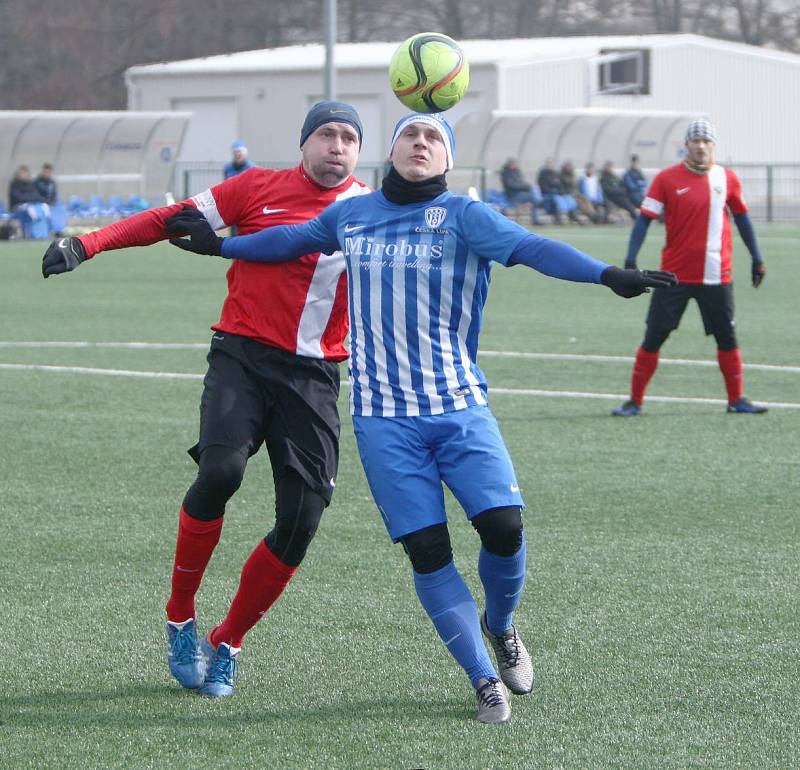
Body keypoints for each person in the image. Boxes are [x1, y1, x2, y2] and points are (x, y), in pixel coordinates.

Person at [166, 112, 676, 723]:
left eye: (434, 138)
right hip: (383, 421)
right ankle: (483, 679)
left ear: (447, 160)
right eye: (411, 134)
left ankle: (501, 625)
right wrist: (222, 245)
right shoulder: (352, 215)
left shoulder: (466, 217)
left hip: (459, 407)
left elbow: (534, 248)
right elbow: (287, 242)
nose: (421, 143)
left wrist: (605, 274)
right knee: (429, 551)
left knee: (505, 528)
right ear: (393, 149)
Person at [41, 101, 370, 697]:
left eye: (349, 137)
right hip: (241, 357)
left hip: (315, 377)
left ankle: (229, 640)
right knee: (220, 471)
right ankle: (180, 616)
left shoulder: (371, 211)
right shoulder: (256, 187)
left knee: (301, 521)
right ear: (304, 143)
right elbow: (171, 218)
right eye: (327, 133)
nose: (337, 146)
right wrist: (87, 245)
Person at [612, 119, 767, 417]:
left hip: (716, 276)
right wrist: (631, 259)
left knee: (727, 337)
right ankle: (634, 401)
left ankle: (736, 400)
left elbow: (743, 220)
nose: (700, 145)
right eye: (695, 140)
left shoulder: (728, 178)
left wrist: (756, 258)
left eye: (706, 141)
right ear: (686, 145)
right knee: (654, 336)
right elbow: (644, 219)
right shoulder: (666, 179)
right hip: (673, 276)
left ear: (713, 145)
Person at [500, 158, 542, 225]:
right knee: (533, 196)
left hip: (521, 193)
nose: (515, 165)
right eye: (513, 164)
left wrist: (525, 186)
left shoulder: (517, 172)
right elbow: (512, 186)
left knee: (534, 189)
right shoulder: (506, 174)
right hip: (513, 195)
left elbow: (521, 183)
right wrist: (525, 187)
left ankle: (536, 216)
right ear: (509, 165)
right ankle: (538, 206)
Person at [537, 157, 580, 224]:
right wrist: (554, 190)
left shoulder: (555, 173)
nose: (550, 165)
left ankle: (573, 217)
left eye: (551, 163)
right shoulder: (543, 173)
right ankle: (559, 220)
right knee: (557, 201)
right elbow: (543, 186)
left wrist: (560, 191)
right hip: (548, 194)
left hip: (557, 193)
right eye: (548, 163)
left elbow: (559, 185)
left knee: (570, 200)